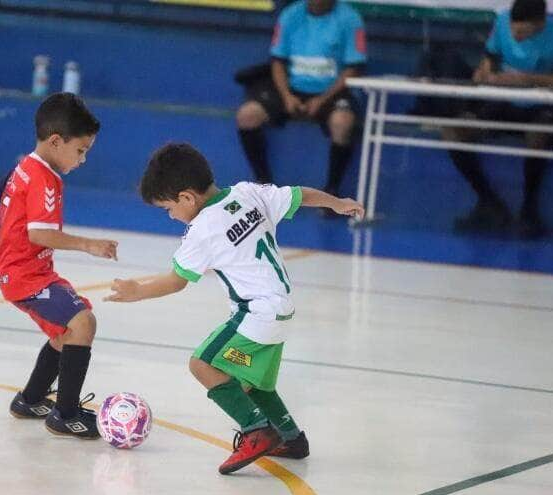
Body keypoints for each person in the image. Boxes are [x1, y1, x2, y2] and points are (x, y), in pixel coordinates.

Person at [104, 143, 364, 474]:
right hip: (281, 310)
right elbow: (300, 194)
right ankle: (291, 437)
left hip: (254, 313)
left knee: (203, 364)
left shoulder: (202, 229)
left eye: (167, 208)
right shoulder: (248, 193)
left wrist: (136, 290)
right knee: (254, 382)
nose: (170, 216)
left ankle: (257, 430)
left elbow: (176, 281)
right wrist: (337, 203)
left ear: (187, 198)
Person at [0, 93, 118, 439]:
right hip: (27, 276)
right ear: (56, 141)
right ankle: (65, 415)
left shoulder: (23, 167)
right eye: (80, 151)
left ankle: (31, 400)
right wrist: (89, 245)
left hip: (22, 273)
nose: (82, 160)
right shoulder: (44, 178)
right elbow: (39, 234)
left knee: (66, 331)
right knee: (83, 323)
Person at [444, 0, 553, 238]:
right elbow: (490, 57)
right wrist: (485, 72)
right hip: (500, 101)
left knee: (540, 136)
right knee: (454, 132)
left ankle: (529, 209)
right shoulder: (502, 21)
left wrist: (527, 80)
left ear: (540, 24)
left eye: (523, 32)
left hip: (539, 107)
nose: (516, 36)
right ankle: (488, 201)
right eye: (514, 30)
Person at [236, 0, 366, 198]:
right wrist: (287, 96)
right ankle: (263, 184)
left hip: (331, 91)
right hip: (291, 88)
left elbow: (353, 69)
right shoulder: (290, 15)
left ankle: (331, 191)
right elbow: (277, 61)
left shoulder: (350, 19)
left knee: (343, 122)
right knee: (247, 115)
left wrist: (322, 99)